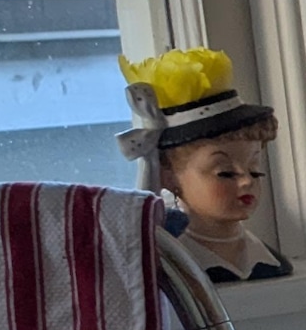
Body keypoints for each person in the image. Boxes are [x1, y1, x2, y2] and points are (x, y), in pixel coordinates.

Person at [121, 45, 292, 281]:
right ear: (168, 176)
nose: (246, 181)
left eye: (255, 170)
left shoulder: (267, 261)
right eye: (225, 173)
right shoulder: (173, 264)